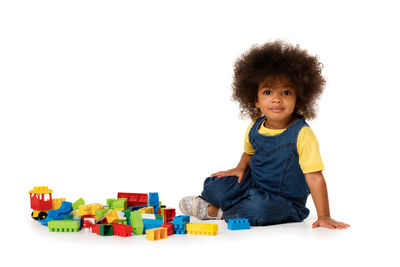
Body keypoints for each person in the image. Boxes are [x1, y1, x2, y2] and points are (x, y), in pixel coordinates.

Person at [179, 40, 350, 229]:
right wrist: (240, 168)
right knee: (215, 186)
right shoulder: (255, 126)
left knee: (257, 208)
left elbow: (315, 177)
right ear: (256, 100)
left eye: (286, 92)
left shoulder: (303, 134)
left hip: (284, 201)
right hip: (253, 184)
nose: (277, 99)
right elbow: (249, 153)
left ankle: (216, 211)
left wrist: (324, 215)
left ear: (299, 100)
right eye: (268, 92)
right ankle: (225, 200)